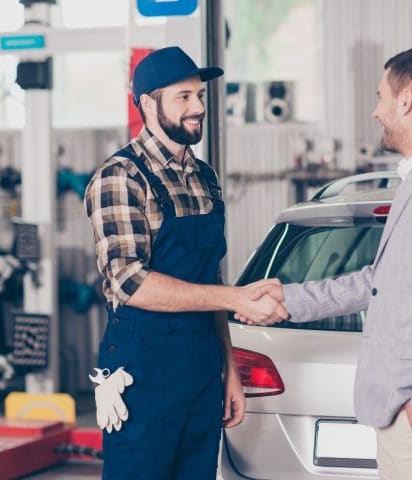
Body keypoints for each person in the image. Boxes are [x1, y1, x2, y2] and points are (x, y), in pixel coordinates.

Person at [241, 47, 412, 480]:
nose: (376, 111)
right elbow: (380, 282)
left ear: (406, 101)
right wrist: (292, 297)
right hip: (403, 414)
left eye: (381, 97)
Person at [84, 46, 287, 479]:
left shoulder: (204, 177)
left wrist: (229, 369)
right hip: (144, 373)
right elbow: (129, 281)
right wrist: (236, 298)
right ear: (147, 104)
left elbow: (207, 277)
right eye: (184, 97)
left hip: (201, 372)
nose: (198, 107)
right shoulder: (120, 178)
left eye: (199, 95)